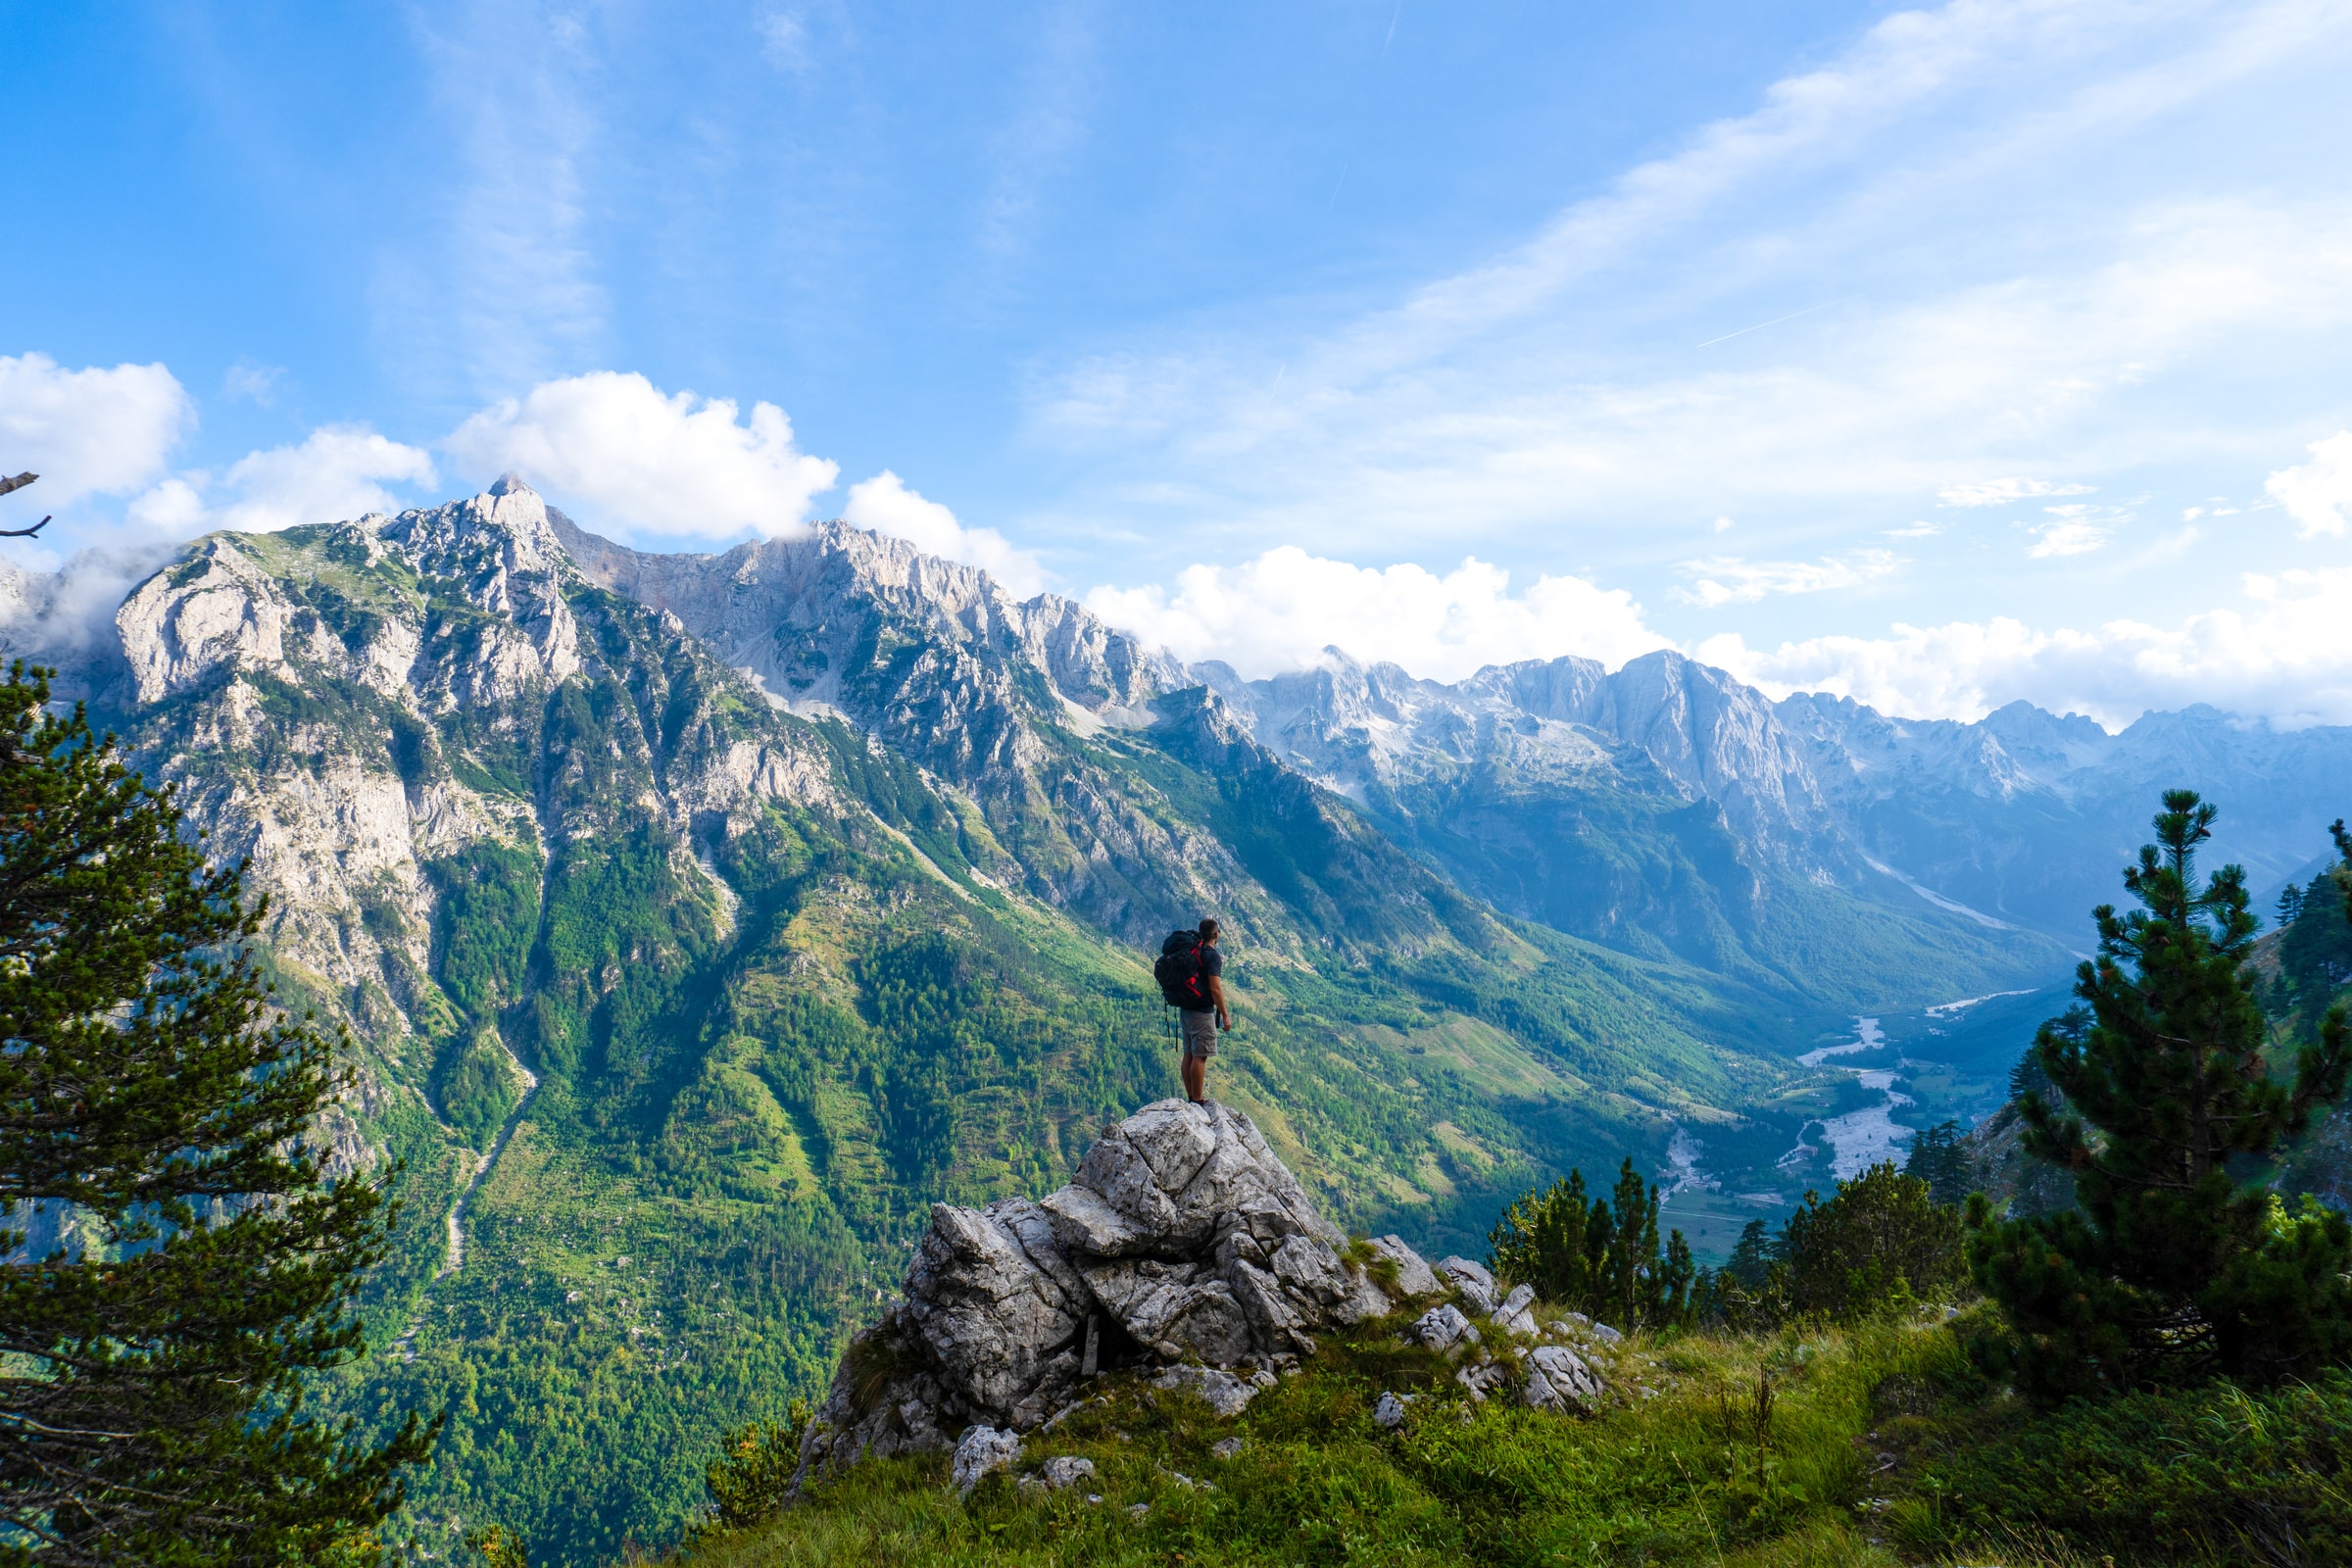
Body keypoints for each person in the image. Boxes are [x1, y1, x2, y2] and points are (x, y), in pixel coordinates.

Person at [1165, 917, 1231, 1103]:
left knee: (1189, 1054)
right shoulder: (1211, 956)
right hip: (1201, 1013)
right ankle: (1198, 1099)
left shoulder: (1194, 951)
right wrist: (1225, 1015)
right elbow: (1215, 988)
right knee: (1200, 1057)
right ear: (1216, 934)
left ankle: (1191, 1097)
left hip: (1186, 1009)